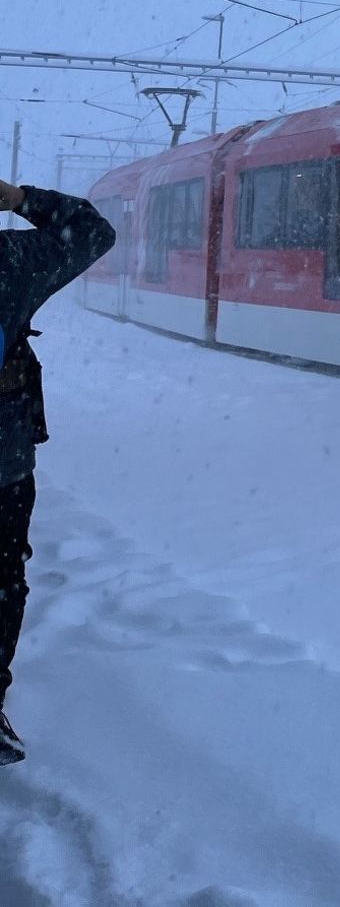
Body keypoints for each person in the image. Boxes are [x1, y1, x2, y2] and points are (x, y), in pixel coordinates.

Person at [0, 178, 116, 765]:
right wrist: (21, 199)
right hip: (3, 461)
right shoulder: (11, 262)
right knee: (1, 581)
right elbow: (93, 232)